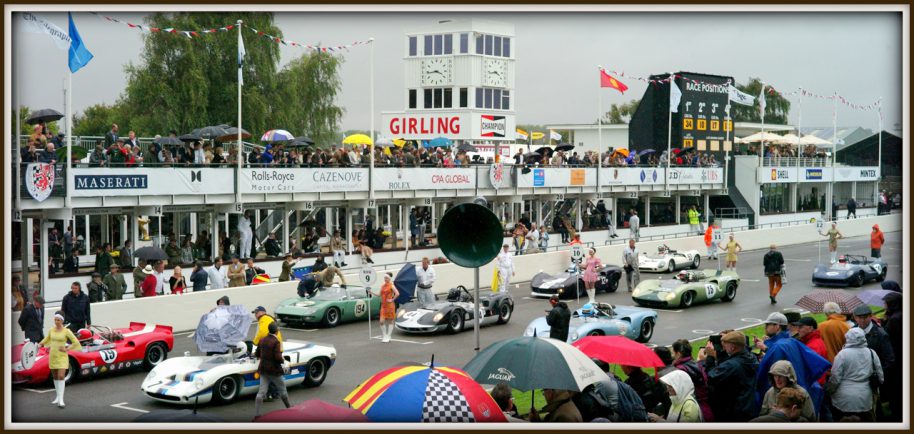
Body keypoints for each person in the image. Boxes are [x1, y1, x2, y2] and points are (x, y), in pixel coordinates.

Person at [754, 312, 831, 418]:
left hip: (786, 398)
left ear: (777, 327)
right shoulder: (792, 341)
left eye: (768, 325)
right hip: (801, 390)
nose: (765, 327)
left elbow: (766, 375)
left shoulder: (778, 346)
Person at [826, 328, 883, 422]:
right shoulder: (871, 353)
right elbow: (880, 377)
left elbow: (835, 378)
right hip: (865, 397)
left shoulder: (842, 355)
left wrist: (830, 391)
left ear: (847, 338)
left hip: (843, 399)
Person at [701, 331, 759, 422]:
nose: (723, 346)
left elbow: (711, 377)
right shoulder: (751, 358)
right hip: (747, 406)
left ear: (733, 347)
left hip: (733, 412)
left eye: (725, 344)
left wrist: (710, 357)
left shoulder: (732, 365)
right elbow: (727, 365)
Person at [39, 312, 82, 408]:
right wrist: (39, 344)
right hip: (53, 356)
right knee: (55, 377)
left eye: (58, 320)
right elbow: (46, 340)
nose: (56, 321)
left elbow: (76, 342)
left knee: (61, 376)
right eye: (55, 319)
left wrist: (67, 349)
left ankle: (61, 400)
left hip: (62, 356)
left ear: (62, 321)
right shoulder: (51, 330)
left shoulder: (67, 331)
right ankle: (57, 397)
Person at [253, 322, 291, 418]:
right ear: (277, 331)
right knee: (282, 390)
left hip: (263, 369)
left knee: (261, 392)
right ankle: (289, 408)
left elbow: (257, 354)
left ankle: (257, 414)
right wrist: (284, 361)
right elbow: (278, 357)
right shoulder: (276, 342)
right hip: (274, 371)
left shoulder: (262, 340)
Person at [671, 339, 713, 421]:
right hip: (705, 407)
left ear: (678, 354)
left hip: (692, 410)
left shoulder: (680, 371)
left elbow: (677, 394)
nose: (672, 356)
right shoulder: (697, 364)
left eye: (673, 353)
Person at [851, 305, 894, 374]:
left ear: (871, 316)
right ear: (855, 317)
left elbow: (889, 359)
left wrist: (876, 374)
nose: (862, 320)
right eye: (859, 317)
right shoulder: (851, 331)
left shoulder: (881, 334)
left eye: (865, 317)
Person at [881, 292, 902, 421]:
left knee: (895, 389)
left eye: (886, 303)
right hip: (898, 357)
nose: (884, 305)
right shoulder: (897, 316)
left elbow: (892, 338)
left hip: (895, 358)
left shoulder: (895, 319)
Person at [369, 273, 399, 343]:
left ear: (389, 278)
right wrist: (371, 292)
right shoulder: (382, 286)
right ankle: (384, 335)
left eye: (387, 278)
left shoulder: (392, 285)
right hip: (383, 306)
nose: (386, 279)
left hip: (390, 306)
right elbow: (379, 294)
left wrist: (392, 299)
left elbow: (397, 293)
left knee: (390, 321)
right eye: (385, 278)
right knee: (381, 321)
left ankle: (388, 336)